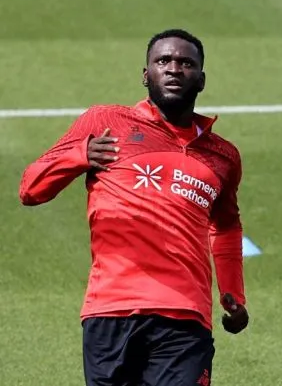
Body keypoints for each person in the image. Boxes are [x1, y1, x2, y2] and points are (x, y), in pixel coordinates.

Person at [19, 29, 250, 386]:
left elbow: (226, 226)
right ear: (145, 75)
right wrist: (79, 156)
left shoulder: (223, 156)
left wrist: (233, 293)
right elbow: (31, 189)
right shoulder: (104, 123)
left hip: (185, 315)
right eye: (163, 61)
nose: (174, 69)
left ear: (201, 80)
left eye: (186, 63)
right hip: (110, 309)